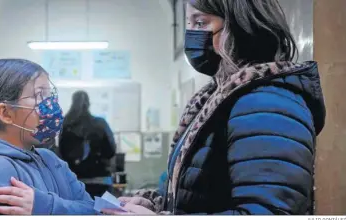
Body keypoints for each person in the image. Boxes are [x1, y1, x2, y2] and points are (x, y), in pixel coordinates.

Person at [104, 0, 325, 215]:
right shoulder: (220, 97)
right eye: (188, 24)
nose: (191, 34)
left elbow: (267, 211)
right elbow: (194, 194)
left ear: (242, 26)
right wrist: (153, 205)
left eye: (200, 23)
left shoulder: (269, 103)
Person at [0, 59, 95, 215]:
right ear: (6, 113)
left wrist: (46, 206)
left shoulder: (51, 161)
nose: (51, 105)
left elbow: (95, 211)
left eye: (50, 96)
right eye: (39, 95)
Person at [58, 91, 117, 197]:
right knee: (102, 212)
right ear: (89, 104)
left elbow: (61, 155)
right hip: (101, 183)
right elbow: (111, 151)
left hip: (75, 184)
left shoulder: (66, 126)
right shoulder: (100, 124)